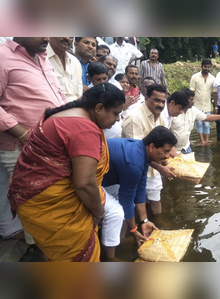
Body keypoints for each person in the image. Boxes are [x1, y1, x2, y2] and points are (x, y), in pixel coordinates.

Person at [8, 83, 125, 262]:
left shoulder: (66, 115)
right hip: (51, 204)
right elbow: (85, 184)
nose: (118, 119)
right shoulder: (84, 128)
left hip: (36, 199)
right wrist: (99, 213)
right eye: (116, 113)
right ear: (99, 108)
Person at [0, 37, 66, 243]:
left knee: (52, 208)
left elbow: (58, 96)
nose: (46, 37)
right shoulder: (3, 56)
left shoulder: (43, 59)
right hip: (23, 148)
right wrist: (23, 134)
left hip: (50, 147)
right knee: (38, 211)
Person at [102, 126, 177, 259]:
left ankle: (119, 242)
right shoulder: (134, 163)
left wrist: (144, 221)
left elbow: (140, 188)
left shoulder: (142, 151)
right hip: (91, 179)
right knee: (117, 213)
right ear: (152, 147)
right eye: (165, 151)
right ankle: (110, 258)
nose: (166, 156)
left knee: (125, 210)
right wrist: (133, 229)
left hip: (108, 177)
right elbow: (127, 201)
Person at [122, 84, 176, 215]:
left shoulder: (160, 117)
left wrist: (166, 163)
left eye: (163, 101)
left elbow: (165, 145)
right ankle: (139, 227)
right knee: (134, 203)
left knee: (155, 200)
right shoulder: (134, 118)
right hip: (134, 166)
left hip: (153, 168)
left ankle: (157, 228)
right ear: (146, 98)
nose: (161, 105)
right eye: (156, 100)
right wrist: (161, 168)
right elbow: (136, 153)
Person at [171, 88, 220, 154]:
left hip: (186, 148)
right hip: (172, 150)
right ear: (184, 100)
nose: (193, 102)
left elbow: (206, 117)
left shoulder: (193, 110)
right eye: (191, 100)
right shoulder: (172, 113)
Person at [190, 59, 218, 146]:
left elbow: (214, 93)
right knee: (199, 124)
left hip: (207, 105)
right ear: (201, 66)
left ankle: (207, 141)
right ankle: (202, 141)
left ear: (211, 67)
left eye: (208, 67)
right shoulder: (195, 77)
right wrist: (190, 104)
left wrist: (216, 106)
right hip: (196, 105)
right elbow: (192, 92)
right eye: (205, 66)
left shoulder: (213, 79)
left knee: (206, 124)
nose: (207, 68)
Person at [47, 37, 83, 101]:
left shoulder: (75, 62)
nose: (67, 38)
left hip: (74, 107)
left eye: (71, 36)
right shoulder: (40, 57)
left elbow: (79, 94)